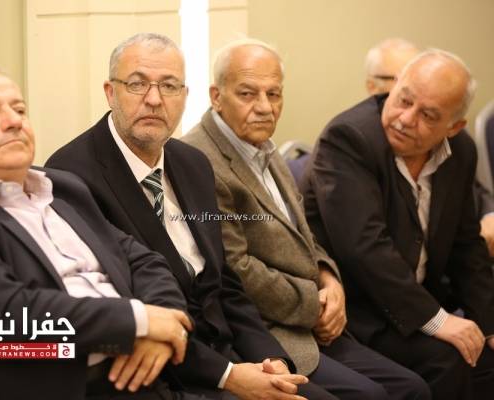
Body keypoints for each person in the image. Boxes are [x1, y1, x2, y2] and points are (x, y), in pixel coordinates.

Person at [0, 63, 204, 400]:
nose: (13, 121)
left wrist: (164, 324)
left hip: (141, 377)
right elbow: (5, 316)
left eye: (19, 110)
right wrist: (137, 321)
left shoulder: (62, 186)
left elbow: (144, 261)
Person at [46, 33, 307, 400]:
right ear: (110, 92)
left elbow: (224, 281)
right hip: (166, 372)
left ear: (185, 96)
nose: (154, 99)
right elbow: (126, 306)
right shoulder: (71, 176)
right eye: (137, 84)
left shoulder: (193, 163)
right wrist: (230, 376)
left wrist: (271, 359)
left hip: (232, 351)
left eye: (169, 86)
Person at [182, 39, 430, 400]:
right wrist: (315, 305)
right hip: (267, 330)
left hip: (313, 320)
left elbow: (303, 233)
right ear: (216, 97)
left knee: (412, 388)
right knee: (374, 395)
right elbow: (237, 268)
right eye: (248, 94)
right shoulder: (200, 160)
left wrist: (330, 279)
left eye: (274, 94)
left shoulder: (261, 146)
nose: (264, 107)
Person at [300, 49, 494, 399]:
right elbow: (365, 249)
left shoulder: (461, 151)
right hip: (361, 309)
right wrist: (438, 320)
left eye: (428, 115)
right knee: (449, 360)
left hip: (420, 298)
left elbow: (466, 246)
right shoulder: (349, 138)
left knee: (486, 356)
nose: (406, 119)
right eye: (403, 100)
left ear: (453, 128)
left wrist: (490, 323)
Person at [365, 38, 494, 256]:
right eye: (401, 78)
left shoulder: (453, 144)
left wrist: (490, 215)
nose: (427, 85)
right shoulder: (354, 142)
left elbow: (473, 195)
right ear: (372, 86)